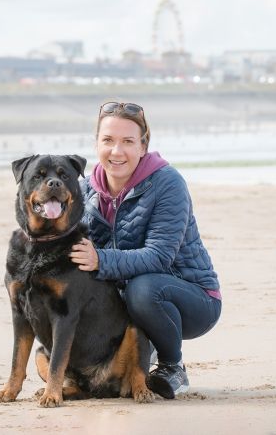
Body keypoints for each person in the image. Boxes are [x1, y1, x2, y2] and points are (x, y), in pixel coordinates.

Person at [70, 100, 221, 399]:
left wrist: (99, 258)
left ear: (143, 145)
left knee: (144, 289)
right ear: (96, 144)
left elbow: (159, 256)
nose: (117, 151)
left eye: (128, 141)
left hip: (191, 298)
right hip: (124, 303)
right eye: (108, 141)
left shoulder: (168, 183)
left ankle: (171, 366)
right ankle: (131, 355)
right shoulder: (84, 189)